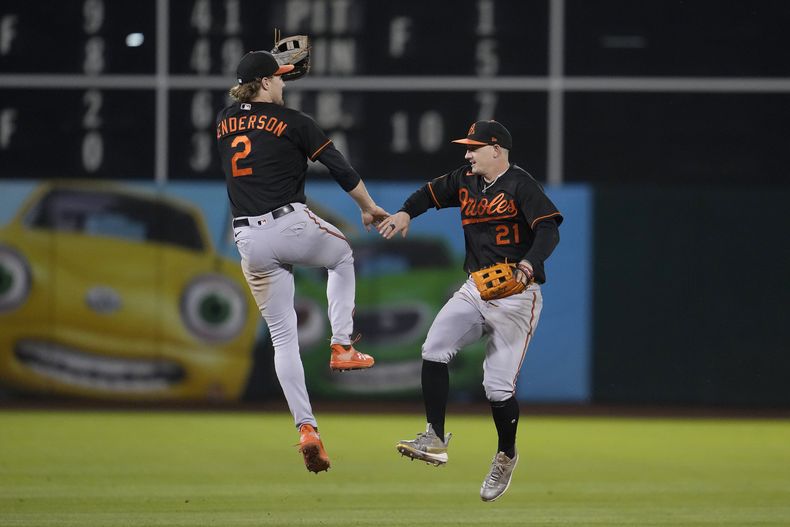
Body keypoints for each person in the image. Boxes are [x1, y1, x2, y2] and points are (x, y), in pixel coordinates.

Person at [216, 50, 389, 473]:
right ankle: (342, 344)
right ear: (265, 83)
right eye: (279, 79)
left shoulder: (222, 120)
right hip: (289, 224)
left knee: (282, 339)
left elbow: (251, 105)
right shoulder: (295, 122)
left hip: (248, 240)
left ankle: (307, 429)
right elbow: (339, 167)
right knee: (343, 255)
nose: (284, 84)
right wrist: (368, 207)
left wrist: (271, 62)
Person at [377, 120, 562, 501]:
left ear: (496, 149)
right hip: (476, 287)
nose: (467, 154)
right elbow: (428, 193)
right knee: (433, 349)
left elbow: (549, 230)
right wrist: (405, 213)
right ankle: (434, 438)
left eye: (473, 148)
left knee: (496, 389)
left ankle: (506, 455)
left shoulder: (521, 185)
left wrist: (527, 265)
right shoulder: (465, 180)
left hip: (517, 296)